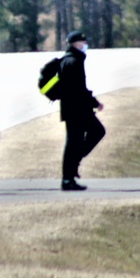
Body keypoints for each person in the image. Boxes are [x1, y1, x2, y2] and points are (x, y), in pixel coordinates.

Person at [56, 31, 106, 191]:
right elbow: (78, 89)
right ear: (76, 44)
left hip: (74, 108)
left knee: (90, 135)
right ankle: (67, 178)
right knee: (75, 142)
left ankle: (71, 171)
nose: (85, 45)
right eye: (83, 42)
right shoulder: (74, 61)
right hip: (77, 109)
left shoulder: (68, 60)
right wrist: (94, 102)